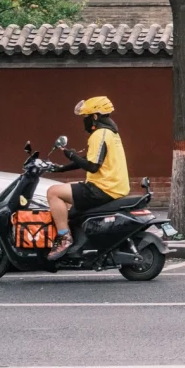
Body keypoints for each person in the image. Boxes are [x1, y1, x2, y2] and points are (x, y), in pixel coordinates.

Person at [46, 96, 130, 261]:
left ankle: (64, 238)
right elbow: (89, 159)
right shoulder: (111, 133)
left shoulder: (99, 134)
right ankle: (78, 238)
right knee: (66, 191)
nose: (84, 120)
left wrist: (70, 154)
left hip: (103, 188)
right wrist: (61, 168)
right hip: (110, 186)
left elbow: (92, 166)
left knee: (53, 192)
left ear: (95, 116)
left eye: (86, 117)